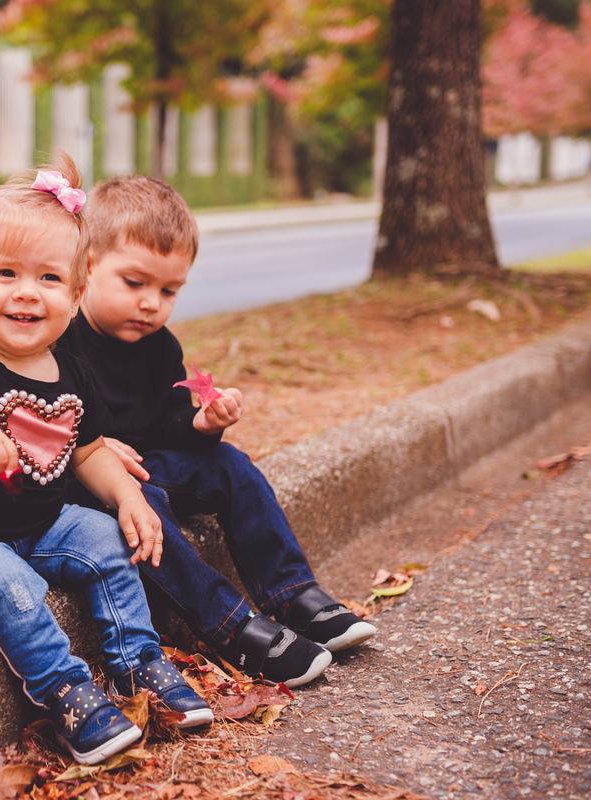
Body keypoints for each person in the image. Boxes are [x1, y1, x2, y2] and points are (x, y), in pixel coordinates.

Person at [0, 156, 212, 767]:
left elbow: (88, 452)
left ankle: (139, 663)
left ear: (76, 291)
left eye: (49, 278)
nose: (27, 291)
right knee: (8, 581)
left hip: (35, 525)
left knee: (105, 538)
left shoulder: (76, 372)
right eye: (5, 273)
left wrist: (130, 497)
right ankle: (64, 691)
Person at [60, 174, 376, 688]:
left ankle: (293, 592)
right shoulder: (60, 340)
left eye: (169, 290)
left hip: (151, 464)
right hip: (88, 484)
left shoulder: (160, 346)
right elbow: (30, 420)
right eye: (134, 283)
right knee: (142, 505)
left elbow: (169, 423)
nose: (151, 304)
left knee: (231, 465)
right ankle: (231, 626)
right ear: (87, 266)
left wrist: (201, 423)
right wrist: (87, 443)